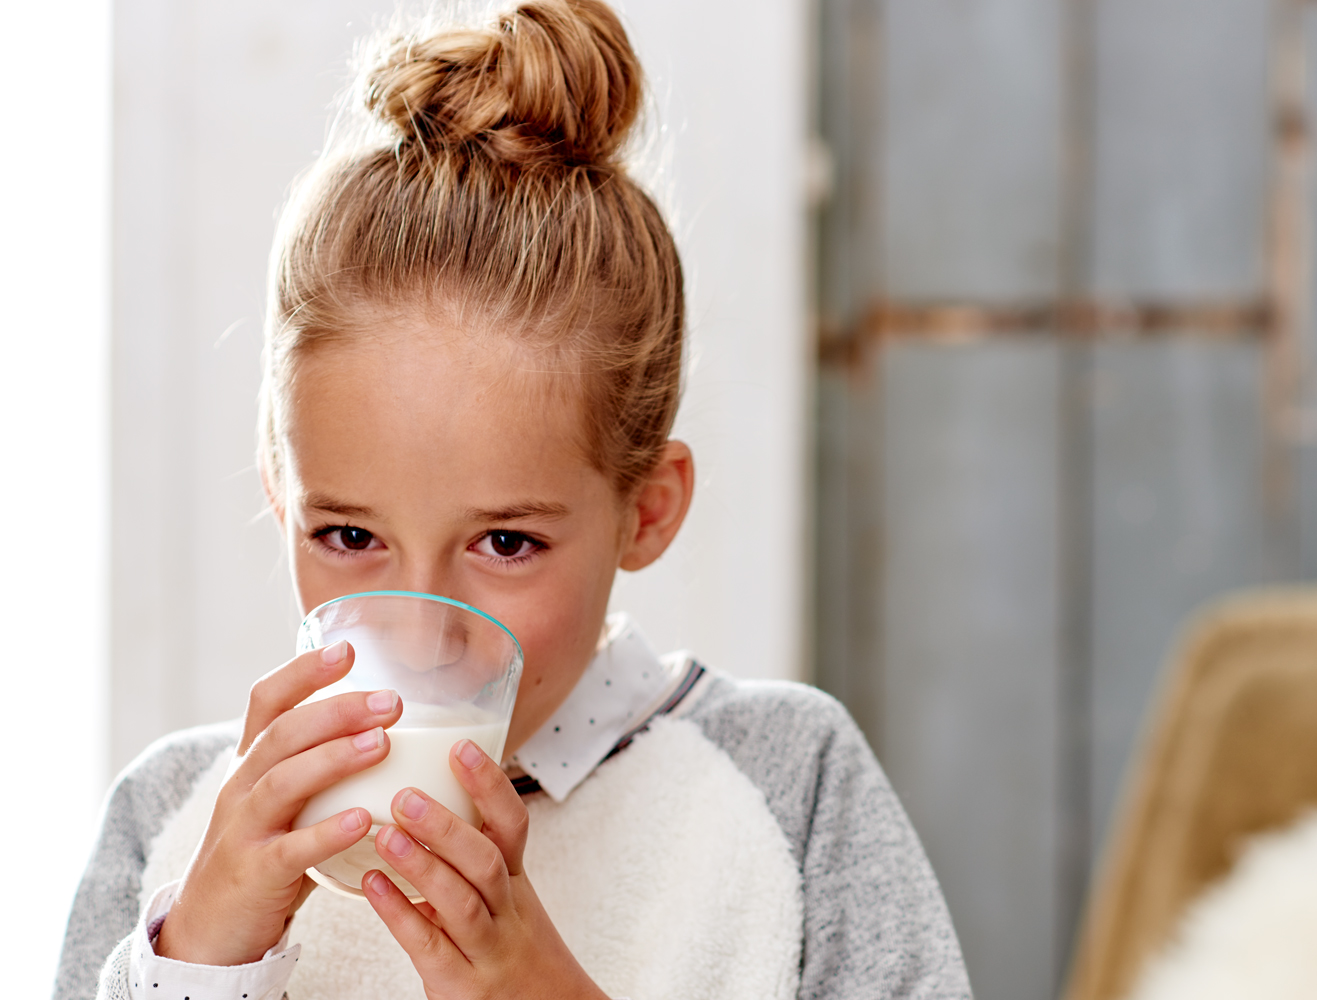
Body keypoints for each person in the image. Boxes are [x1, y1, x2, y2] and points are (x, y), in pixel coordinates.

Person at [52, 2, 972, 997]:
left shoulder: (789, 795)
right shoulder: (170, 828)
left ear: (647, 511)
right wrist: (198, 964)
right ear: (280, 489)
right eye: (349, 533)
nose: (422, 632)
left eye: (504, 542)